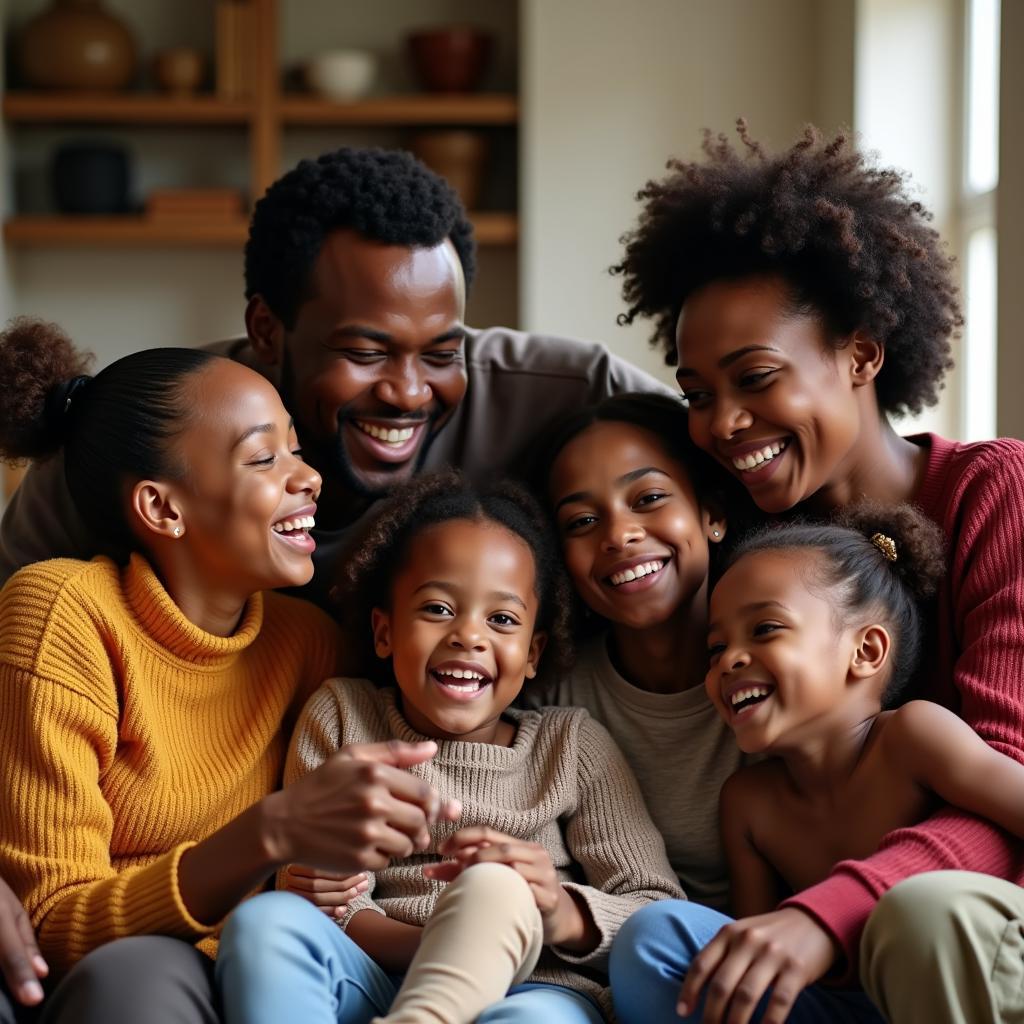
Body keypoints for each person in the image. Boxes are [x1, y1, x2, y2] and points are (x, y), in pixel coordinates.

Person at [607, 121, 1024, 1024]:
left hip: (978, 906)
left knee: (923, 915)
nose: (723, 424)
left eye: (756, 378)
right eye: (698, 394)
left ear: (863, 354)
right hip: (850, 953)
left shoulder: (995, 492)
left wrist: (822, 914)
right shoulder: (749, 545)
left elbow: (1002, 786)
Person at [0, 319, 459, 1024]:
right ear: (163, 506)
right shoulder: (62, 614)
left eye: (296, 452)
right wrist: (268, 833)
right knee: (139, 977)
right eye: (262, 460)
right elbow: (51, 924)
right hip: (133, 972)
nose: (308, 477)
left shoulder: (308, 642)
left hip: (282, 965)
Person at [0, 147, 670, 604]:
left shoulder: (559, 390)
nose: (409, 392)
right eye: (366, 351)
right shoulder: (147, 435)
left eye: (442, 351)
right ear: (267, 330)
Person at [215, 470, 684, 1024]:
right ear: (384, 631)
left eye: (502, 619)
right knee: (264, 923)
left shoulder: (572, 747)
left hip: (533, 990)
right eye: (438, 609)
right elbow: (326, 897)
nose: (469, 635)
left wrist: (555, 909)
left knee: (509, 931)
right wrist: (458, 949)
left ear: (534, 653)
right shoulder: (343, 716)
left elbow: (655, 908)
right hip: (374, 976)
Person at [529, 391, 746, 912]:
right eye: (582, 522)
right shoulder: (547, 698)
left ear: (711, 512)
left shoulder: (786, 666)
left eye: (648, 499)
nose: (619, 535)